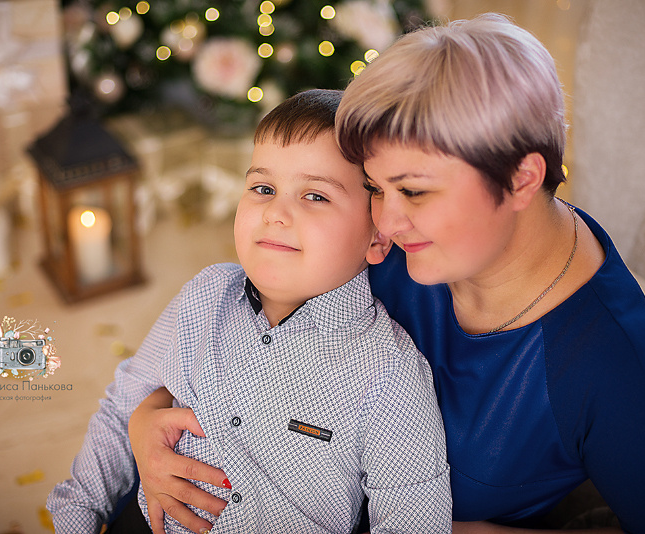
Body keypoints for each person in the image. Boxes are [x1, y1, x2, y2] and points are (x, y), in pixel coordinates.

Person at [127, 14, 645, 534]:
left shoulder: (610, 368)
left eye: (413, 191)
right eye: (374, 188)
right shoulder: (393, 240)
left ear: (522, 178)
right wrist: (145, 416)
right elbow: (233, 326)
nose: (383, 221)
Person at [46, 89, 451, 534]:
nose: (276, 211)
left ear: (377, 238)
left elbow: (414, 518)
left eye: (315, 196)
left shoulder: (389, 373)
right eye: (263, 188)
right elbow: (124, 406)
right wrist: (76, 519)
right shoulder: (206, 295)